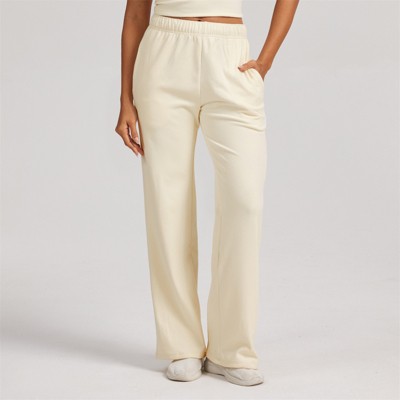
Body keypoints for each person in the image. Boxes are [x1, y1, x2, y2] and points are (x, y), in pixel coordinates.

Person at [115, 0, 299, 386]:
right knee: (167, 203)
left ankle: (232, 349)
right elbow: (135, 14)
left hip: (230, 56)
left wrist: (265, 61)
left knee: (245, 202)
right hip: (163, 55)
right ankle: (181, 344)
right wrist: (125, 99)